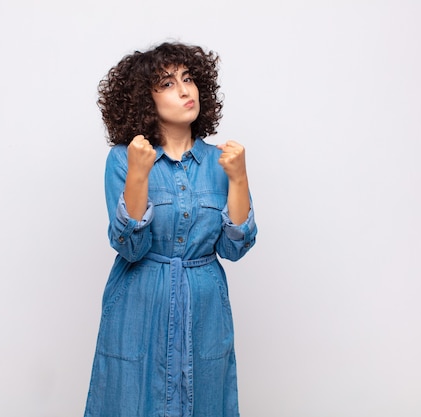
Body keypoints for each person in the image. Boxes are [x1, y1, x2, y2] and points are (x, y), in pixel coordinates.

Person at [84, 41, 257, 417]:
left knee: (205, 395)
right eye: (166, 83)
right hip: (140, 302)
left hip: (204, 305)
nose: (183, 90)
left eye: (188, 78)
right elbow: (130, 246)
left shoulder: (222, 161)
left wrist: (239, 178)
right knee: (131, 398)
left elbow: (234, 249)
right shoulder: (123, 158)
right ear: (146, 101)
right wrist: (139, 172)